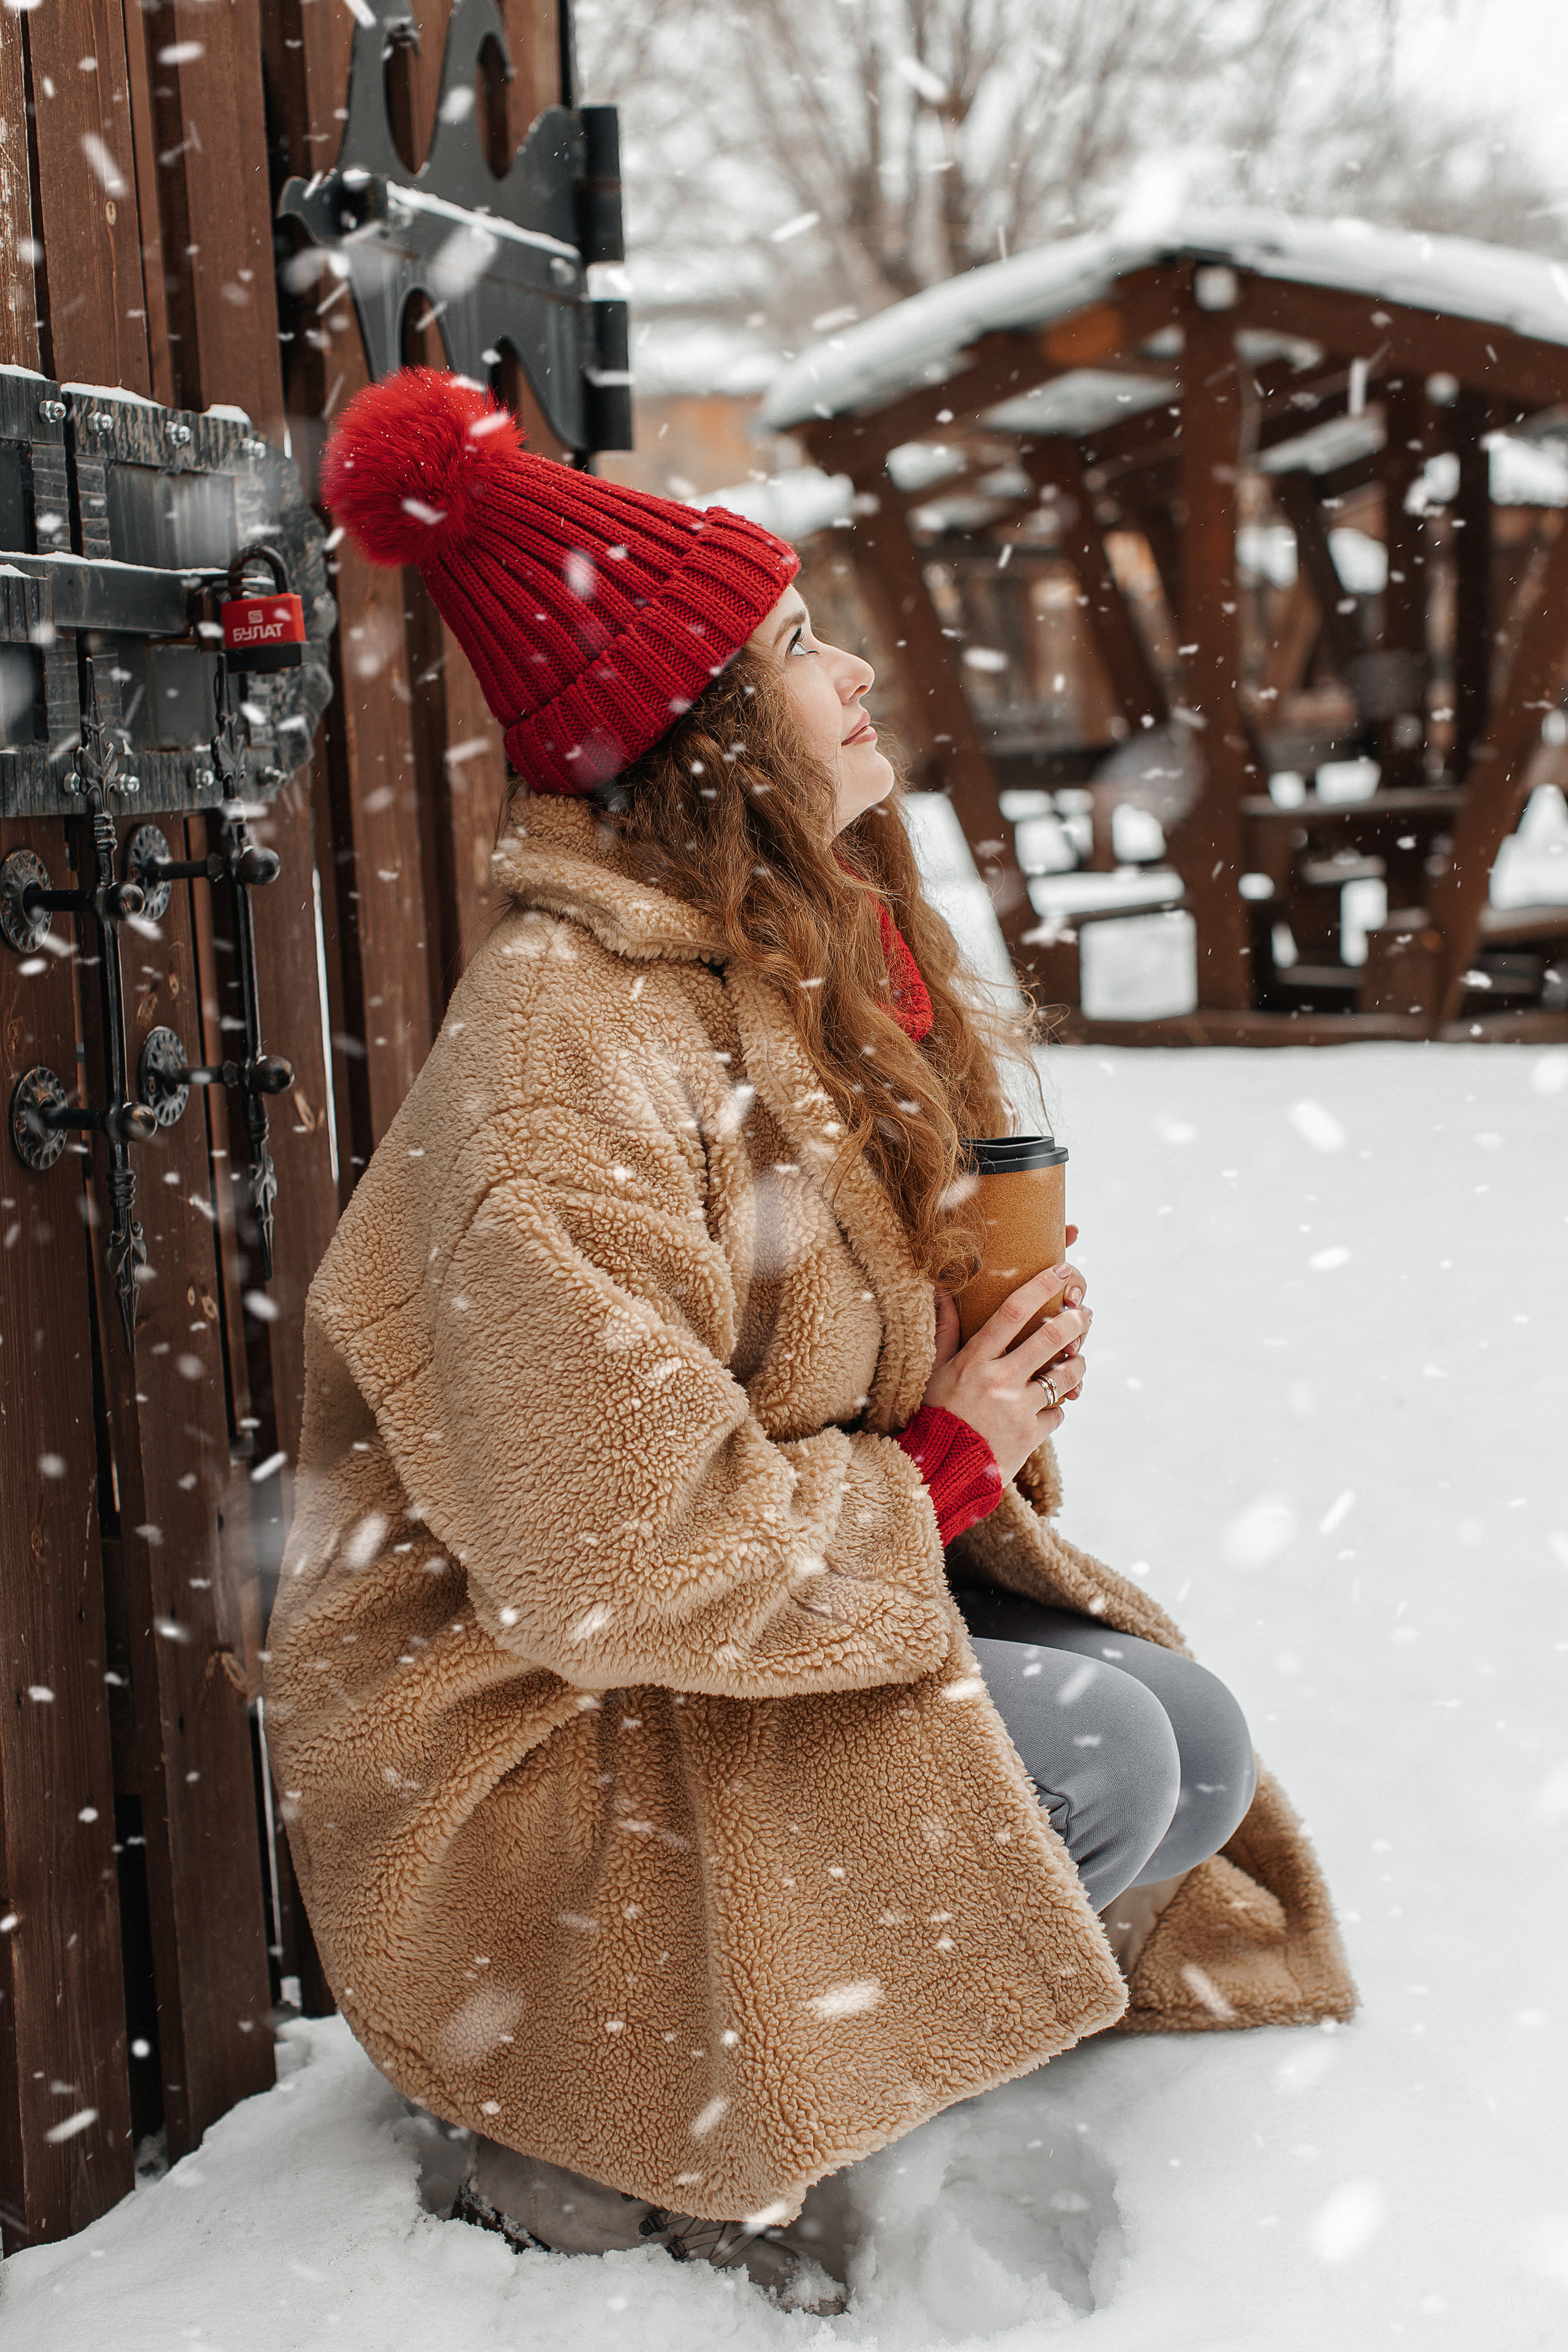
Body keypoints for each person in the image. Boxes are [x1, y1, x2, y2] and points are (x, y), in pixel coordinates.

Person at [265, 369, 1355, 2312]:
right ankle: (580, 2122)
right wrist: (936, 1459)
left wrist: (967, 1336)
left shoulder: (763, 964)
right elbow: (613, 1561)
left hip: (693, 1643)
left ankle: (835, 2043)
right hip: (539, 1744)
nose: (848, 671)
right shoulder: (560, 1054)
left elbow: (769, 1367)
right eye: (792, 645)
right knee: (1096, 1758)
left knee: (1185, 1745)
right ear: (702, 734)